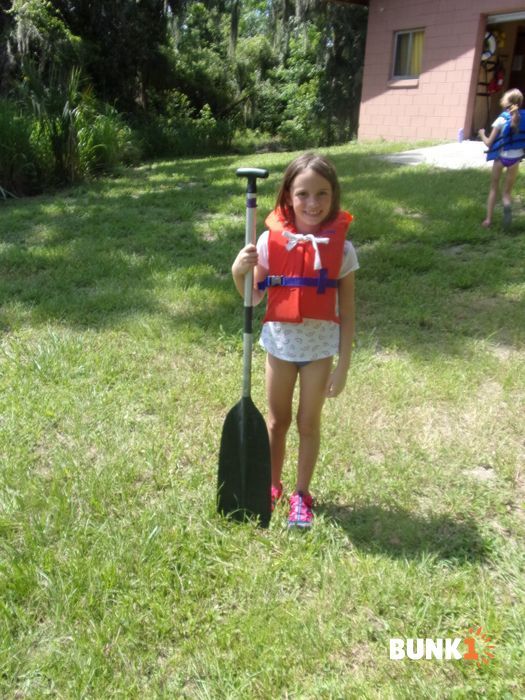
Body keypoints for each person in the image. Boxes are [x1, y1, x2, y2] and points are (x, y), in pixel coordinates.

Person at [231, 153, 358, 528]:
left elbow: (349, 313)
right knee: (277, 422)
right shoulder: (269, 241)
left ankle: (301, 495)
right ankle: (272, 486)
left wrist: (343, 366)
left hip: (318, 351)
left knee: (308, 423)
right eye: (303, 194)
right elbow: (253, 297)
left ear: (334, 195)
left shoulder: (343, 250)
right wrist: (238, 273)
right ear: (288, 195)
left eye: (322, 193)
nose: (313, 203)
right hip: (280, 347)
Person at [478, 88, 525, 229]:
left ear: (505, 102)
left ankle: (488, 220)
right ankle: (507, 205)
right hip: (515, 160)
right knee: (506, 192)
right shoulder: (523, 117)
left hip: (500, 159)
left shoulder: (501, 119)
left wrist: (482, 134)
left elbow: (488, 143)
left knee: (494, 188)